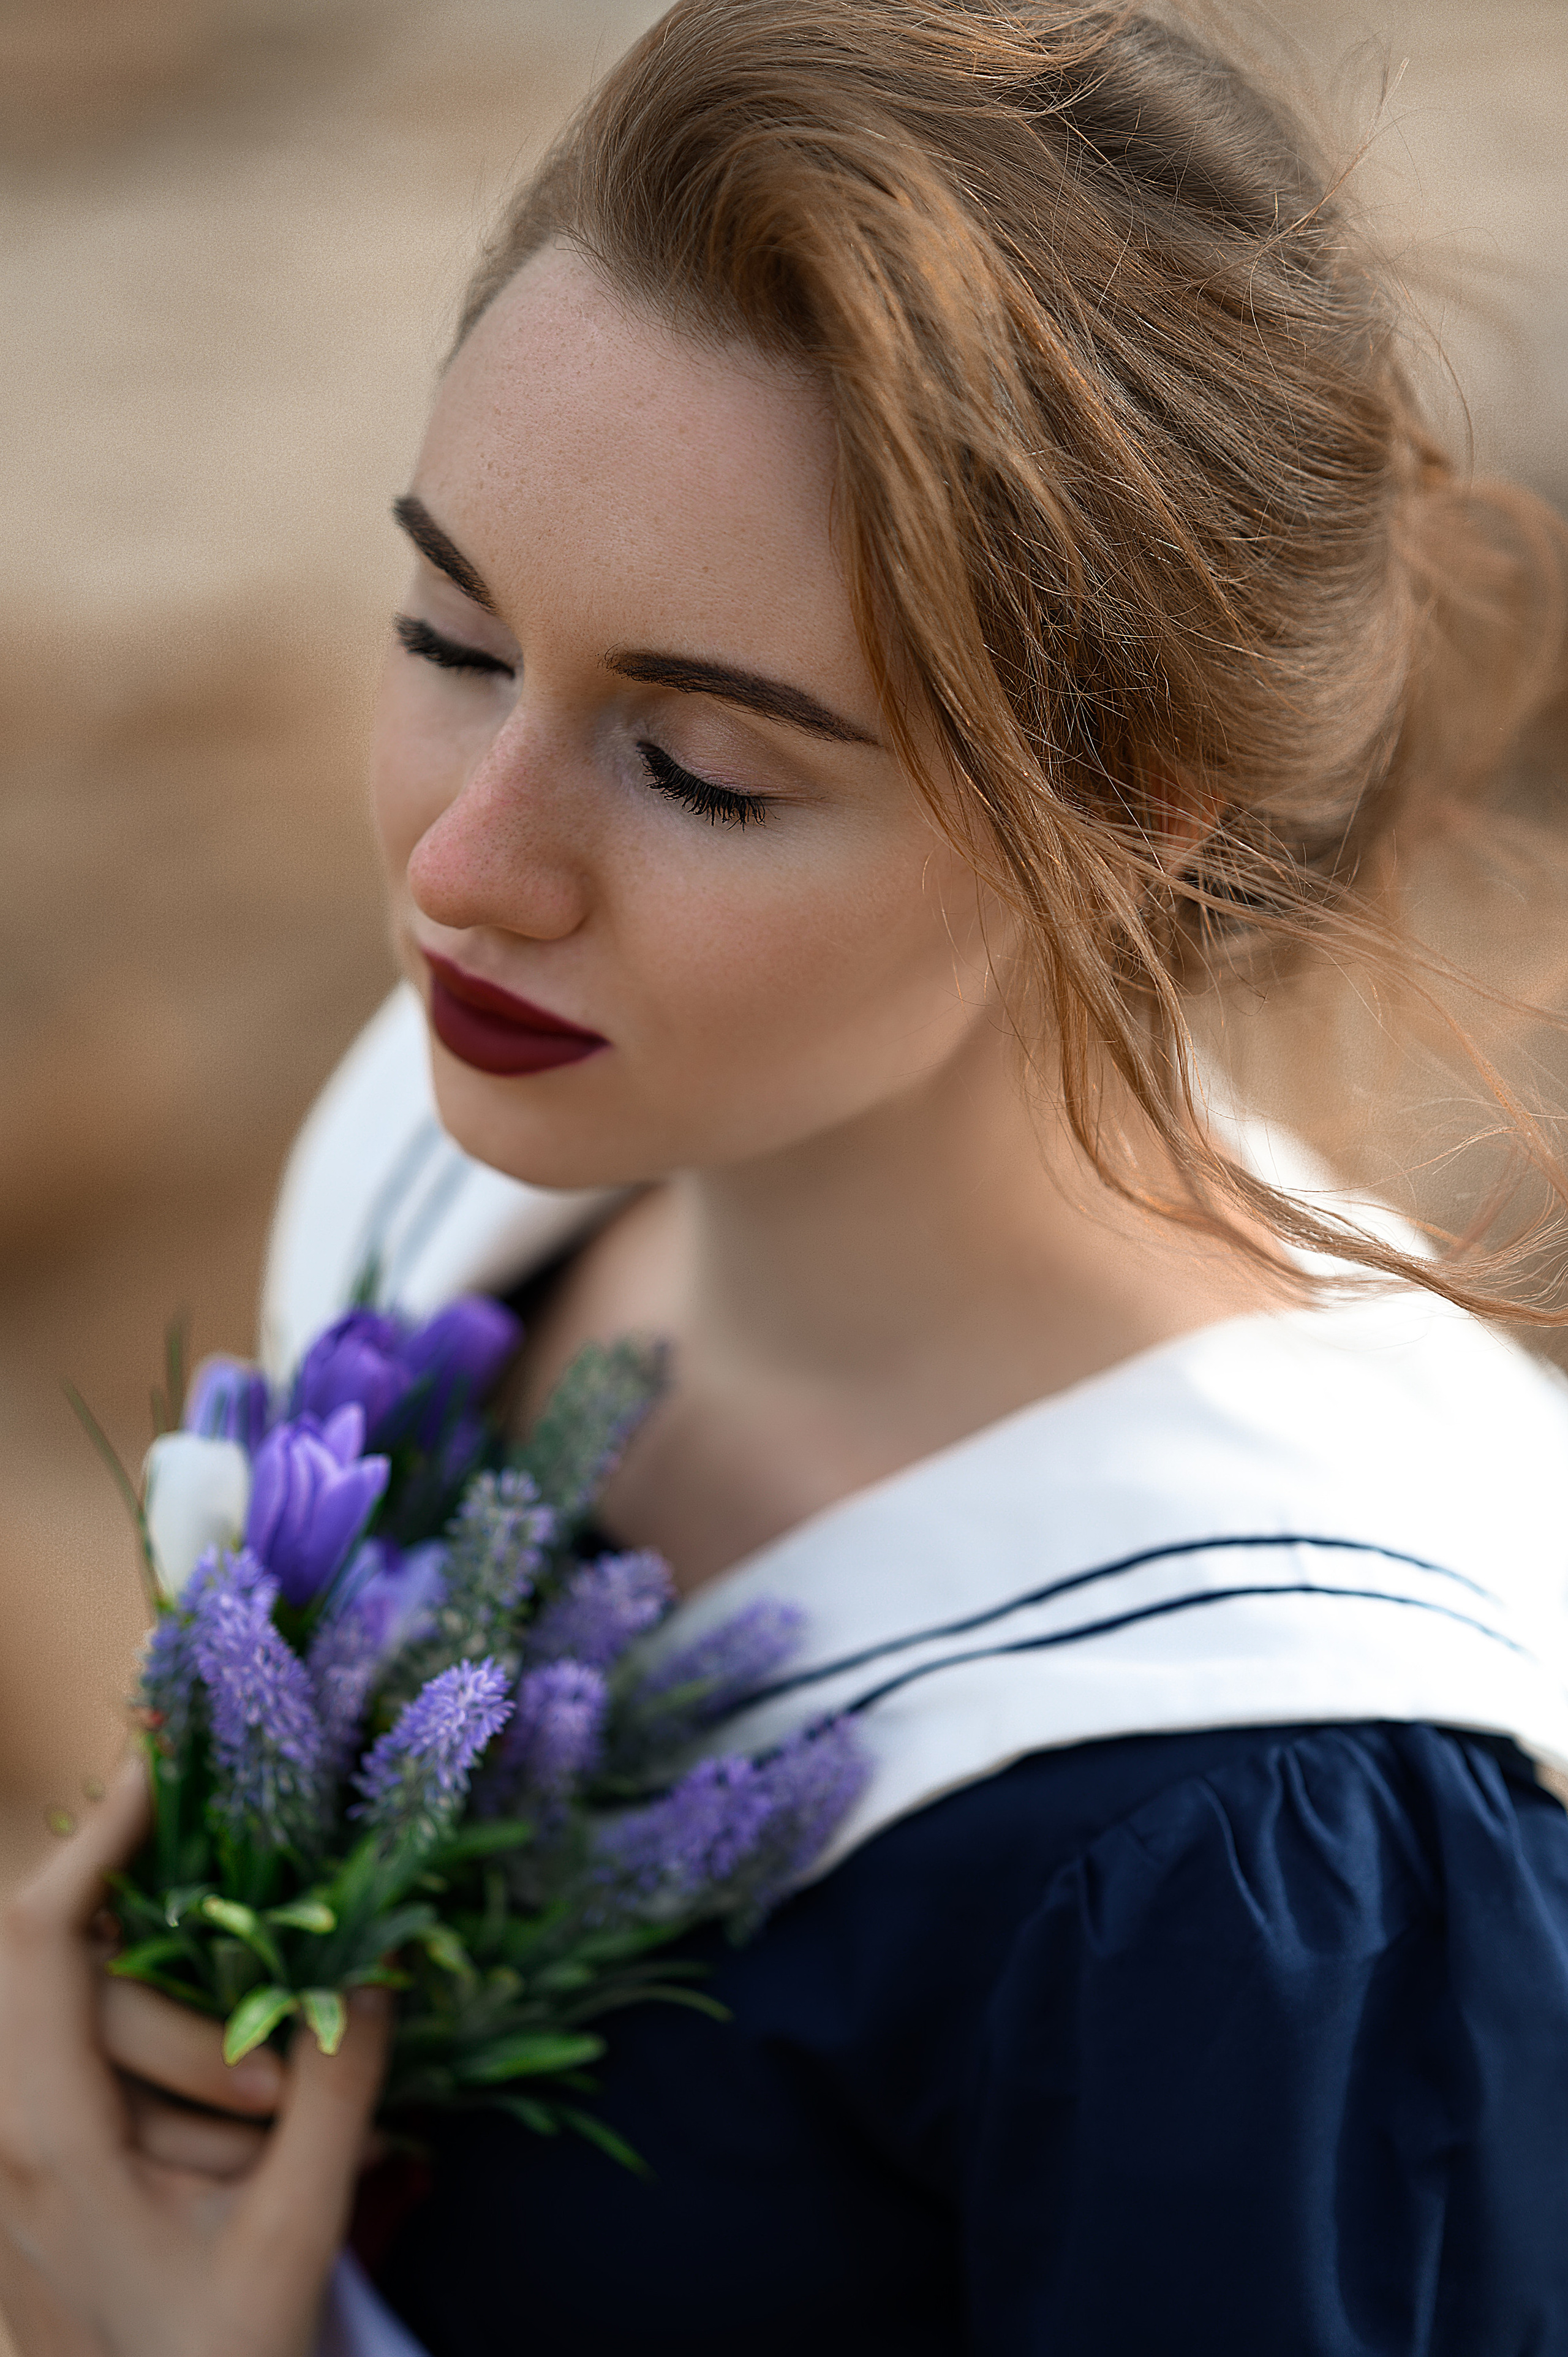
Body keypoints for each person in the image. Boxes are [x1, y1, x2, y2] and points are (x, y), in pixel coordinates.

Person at [4, 2, 1568, 2350]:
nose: (466, 865)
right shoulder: (472, 1164)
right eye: (448, 633)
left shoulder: (1261, 1840)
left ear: (1130, 822)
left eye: (702, 766)